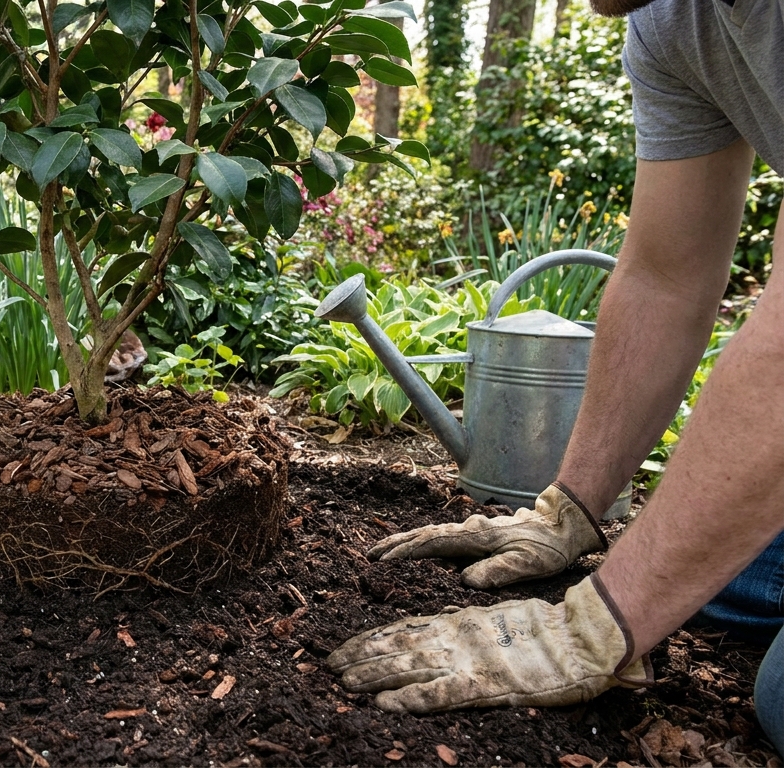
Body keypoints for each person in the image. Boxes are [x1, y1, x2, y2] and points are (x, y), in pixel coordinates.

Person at [326, 0, 784, 747]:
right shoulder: (671, 20)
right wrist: (568, 510)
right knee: (713, 572)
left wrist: (589, 628)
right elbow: (667, 276)